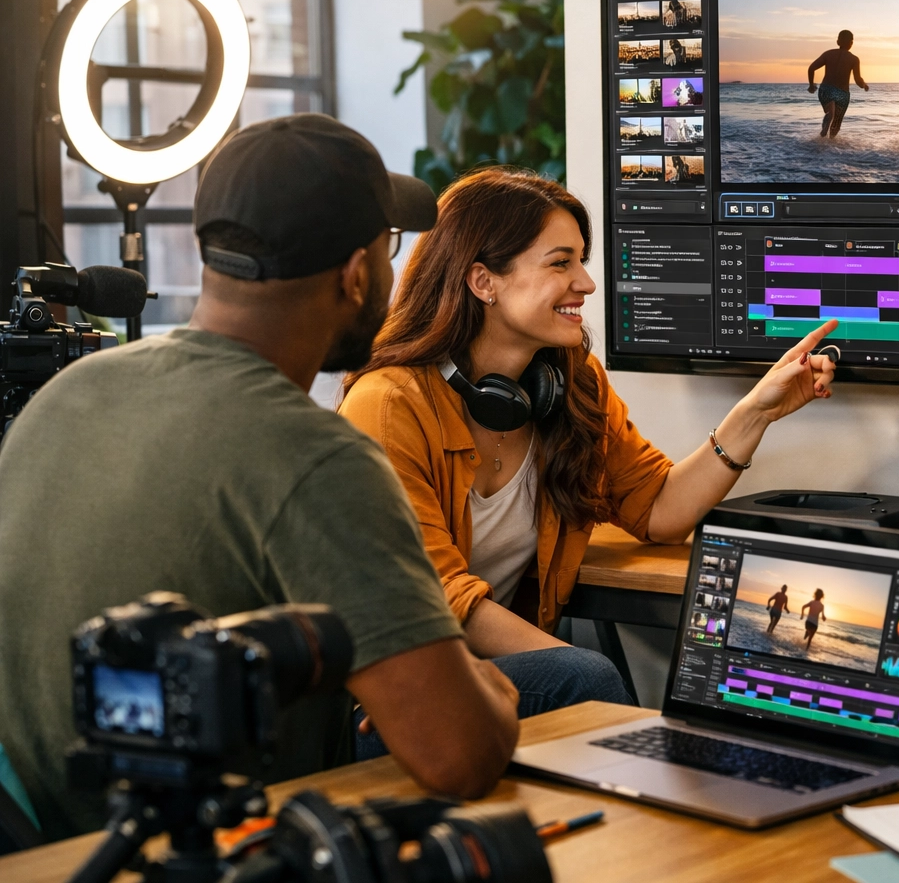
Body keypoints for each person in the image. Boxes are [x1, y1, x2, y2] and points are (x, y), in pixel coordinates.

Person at [0, 115, 523, 842]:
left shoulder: (66, 395)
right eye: (388, 247)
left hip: (46, 849)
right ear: (357, 274)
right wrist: (487, 688)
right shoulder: (316, 456)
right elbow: (459, 757)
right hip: (209, 850)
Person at [338, 169, 838, 711]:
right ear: (484, 282)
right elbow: (439, 598)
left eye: (581, 259)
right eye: (560, 263)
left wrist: (756, 412)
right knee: (588, 678)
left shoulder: (571, 382)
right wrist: (570, 666)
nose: (587, 282)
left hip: (487, 678)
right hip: (385, 699)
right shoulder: (388, 404)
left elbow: (659, 509)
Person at [807, 30, 869, 138]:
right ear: (851, 43)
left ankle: (829, 115)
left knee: (830, 110)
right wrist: (864, 85)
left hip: (826, 89)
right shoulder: (854, 59)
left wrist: (811, 84)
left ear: (837, 42)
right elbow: (858, 80)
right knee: (836, 123)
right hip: (842, 94)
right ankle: (831, 146)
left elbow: (811, 68)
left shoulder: (828, 54)